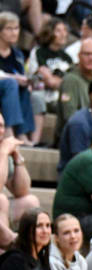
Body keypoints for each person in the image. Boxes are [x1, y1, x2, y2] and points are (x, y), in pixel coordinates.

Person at [0, 123, 40, 248]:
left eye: (1, 126)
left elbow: (22, 190)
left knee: (30, 202)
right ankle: (8, 244)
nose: (0, 130)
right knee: (1, 200)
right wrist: (3, 153)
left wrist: (17, 158)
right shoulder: (3, 151)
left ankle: (32, 250)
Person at [56, 38, 92, 143]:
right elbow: (69, 117)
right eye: (87, 54)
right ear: (79, 56)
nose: (91, 58)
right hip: (73, 138)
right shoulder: (70, 80)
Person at [0, 12, 35, 140]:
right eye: (9, 28)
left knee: (24, 88)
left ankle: (22, 133)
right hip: (5, 85)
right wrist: (14, 78)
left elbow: (21, 74)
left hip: (11, 89)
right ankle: (9, 130)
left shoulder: (18, 54)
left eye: (16, 28)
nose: (14, 32)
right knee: (11, 83)